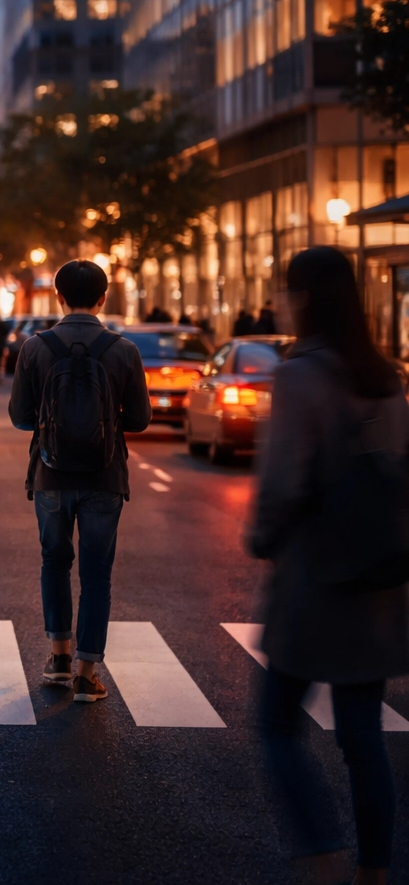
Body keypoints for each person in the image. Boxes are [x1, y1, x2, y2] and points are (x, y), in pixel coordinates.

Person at [248, 246, 409, 885]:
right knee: (362, 735)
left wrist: (262, 537)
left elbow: (285, 482)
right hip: (379, 577)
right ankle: (373, 870)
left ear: (304, 299)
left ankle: (320, 855)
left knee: (277, 724)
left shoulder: (299, 376)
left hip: (317, 577)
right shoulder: (385, 376)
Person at [8, 260, 151, 704]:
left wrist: (53, 423)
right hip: (104, 477)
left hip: (50, 474)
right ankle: (87, 675)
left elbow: (20, 417)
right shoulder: (123, 350)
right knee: (96, 573)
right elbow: (140, 420)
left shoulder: (36, 348)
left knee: (54, 561)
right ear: (103, 299)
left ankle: (59, 657)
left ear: (59, 296)